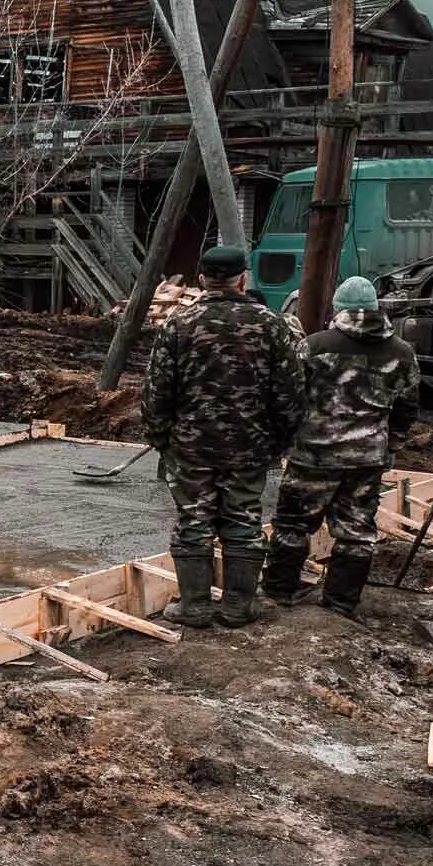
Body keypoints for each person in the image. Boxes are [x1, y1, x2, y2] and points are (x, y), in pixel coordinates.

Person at [139, 244, 304, 629]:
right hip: (250, 446)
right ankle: (238, 605)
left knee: (193, 520)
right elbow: (291, 395)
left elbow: (156, 391)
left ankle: (194, 606)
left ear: (201, 279)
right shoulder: (271, 325)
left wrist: (163, 439)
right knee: (244, 519)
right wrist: (277, 442)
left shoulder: (178, 324)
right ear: (242, 279)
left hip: (190, 446)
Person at [264, 275, 421, 617]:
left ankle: (279, 592)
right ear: (377, 309)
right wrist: (390, 445)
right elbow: (408, 407)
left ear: (338, 309)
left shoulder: (315, 346)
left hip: (313, 455)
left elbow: (288, 398)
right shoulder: (401, 352)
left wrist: (285, 441)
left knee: (292, 526)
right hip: (366, 458)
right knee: (356, 532)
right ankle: (340, 603)